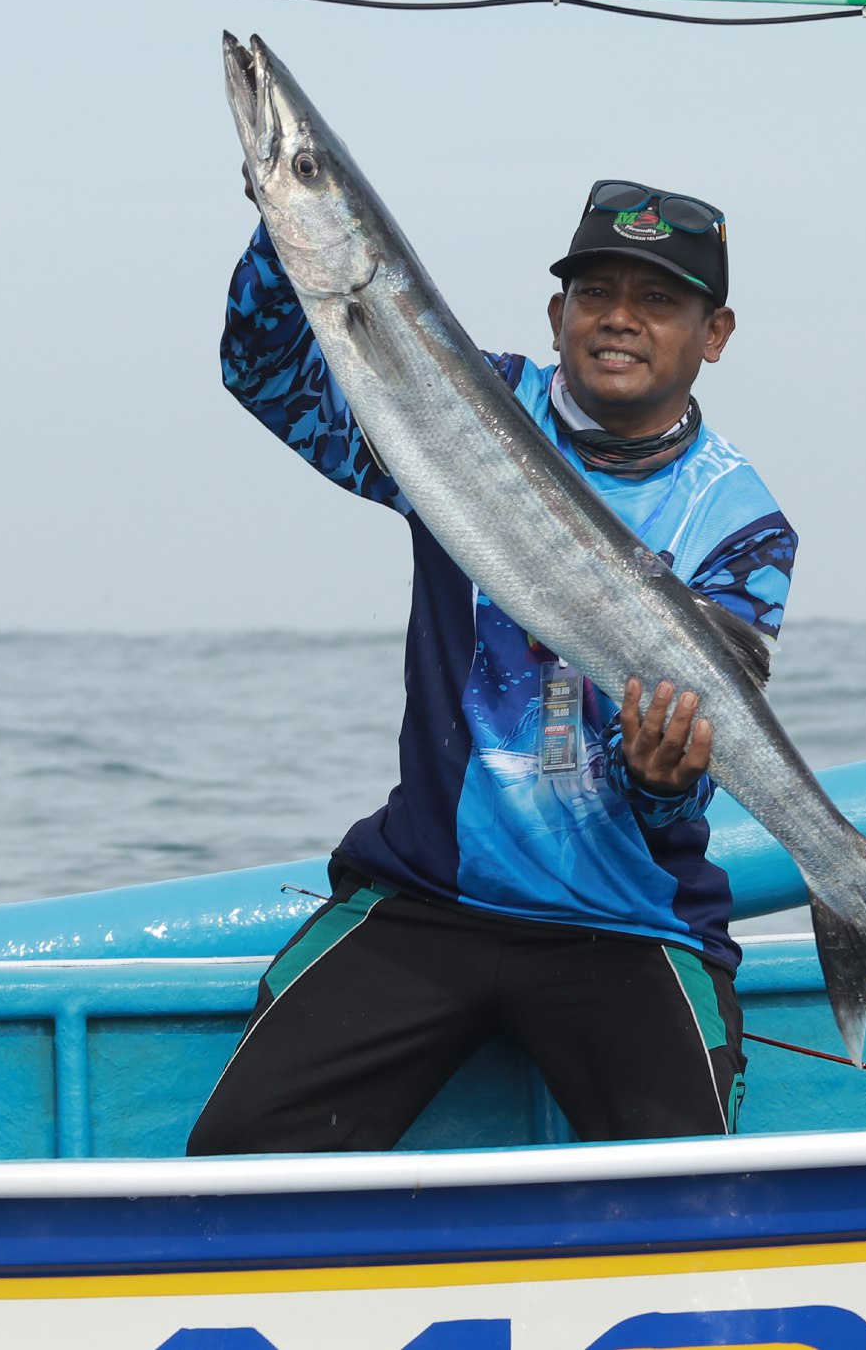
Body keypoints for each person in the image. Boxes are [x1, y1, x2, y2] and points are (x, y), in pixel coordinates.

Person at [190, 178, 798, 1153]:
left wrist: (662, 779)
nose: (619, 321)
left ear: (713, 334)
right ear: (557, 315)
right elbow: (266, 376)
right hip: (429, 895)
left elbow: (682, 800)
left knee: (686, 1206)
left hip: (630, 918)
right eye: (595, 294)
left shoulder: (739, 524)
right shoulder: (465, 405)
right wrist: (292, 226)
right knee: (237, 1172)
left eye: (658, 302)